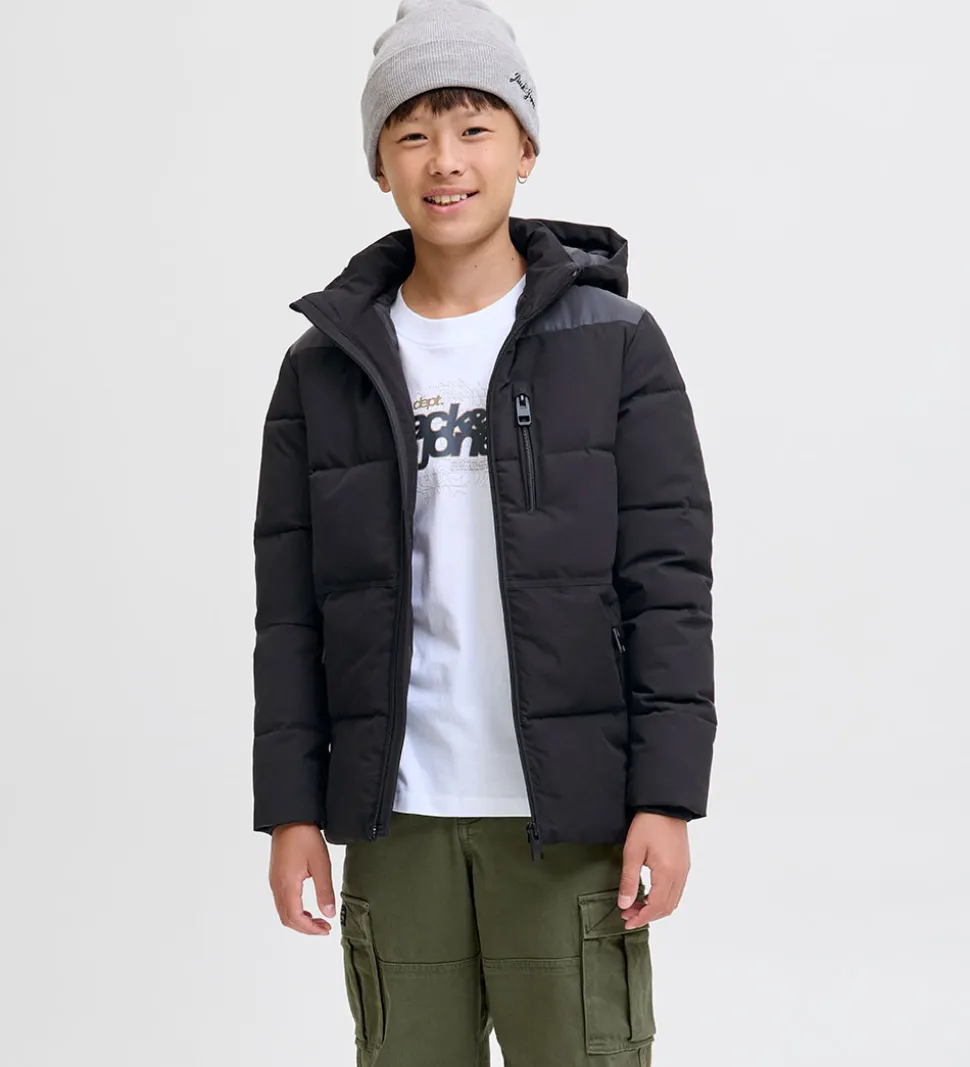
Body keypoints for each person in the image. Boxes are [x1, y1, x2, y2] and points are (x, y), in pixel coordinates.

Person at [251, 1, 716, 1063]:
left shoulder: (616, 343)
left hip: (568, 816)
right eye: (412, 133)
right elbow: (292, 611)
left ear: (525, 149)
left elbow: (666, 582)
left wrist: (665, 796)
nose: (445, 161)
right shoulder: (324, 367)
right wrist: (290, 812)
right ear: (379, 164)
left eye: (473, 127)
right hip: (395, 811)